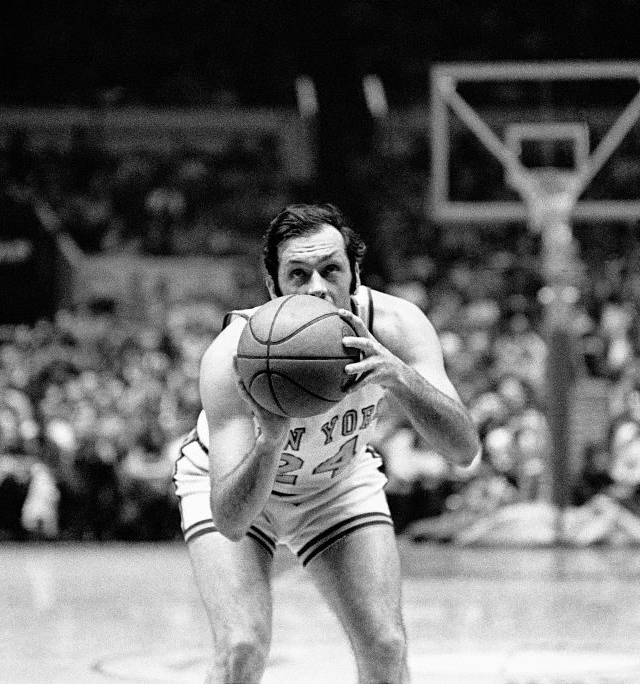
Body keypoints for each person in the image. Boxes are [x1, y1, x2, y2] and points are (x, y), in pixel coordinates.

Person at [173, 203, 479, 683]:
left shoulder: (396, 326)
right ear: (272, 284)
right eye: (298, 273)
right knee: (242, 647)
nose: (317, 287)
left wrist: (399, 377)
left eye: (330, 269)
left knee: (386, 645)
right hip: (233, 481)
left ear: (355, 272)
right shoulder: (231, 357)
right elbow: (231, 522)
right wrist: (270, 442)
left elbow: (465, 450)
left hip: (335, 483)